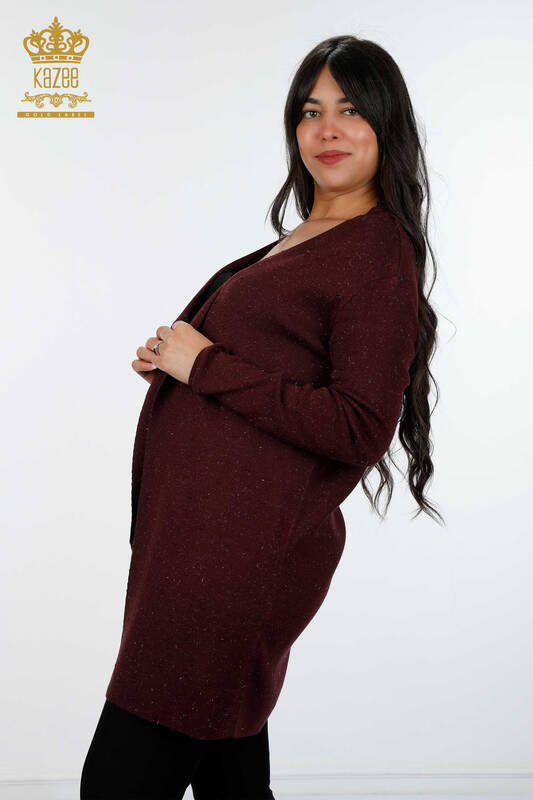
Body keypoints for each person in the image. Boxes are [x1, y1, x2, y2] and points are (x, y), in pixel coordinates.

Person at [80, 33, 443, 800]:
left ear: (387, 125)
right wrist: (177, 365)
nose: (327, 129)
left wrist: (206, 367)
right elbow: (270, 369)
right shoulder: (310, 238)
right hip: (200, 552)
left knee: (117, 782)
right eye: (310, 112)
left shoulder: (375, 254)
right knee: (229, 779)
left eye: (350, 110)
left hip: (236, 564)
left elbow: (357, 425)